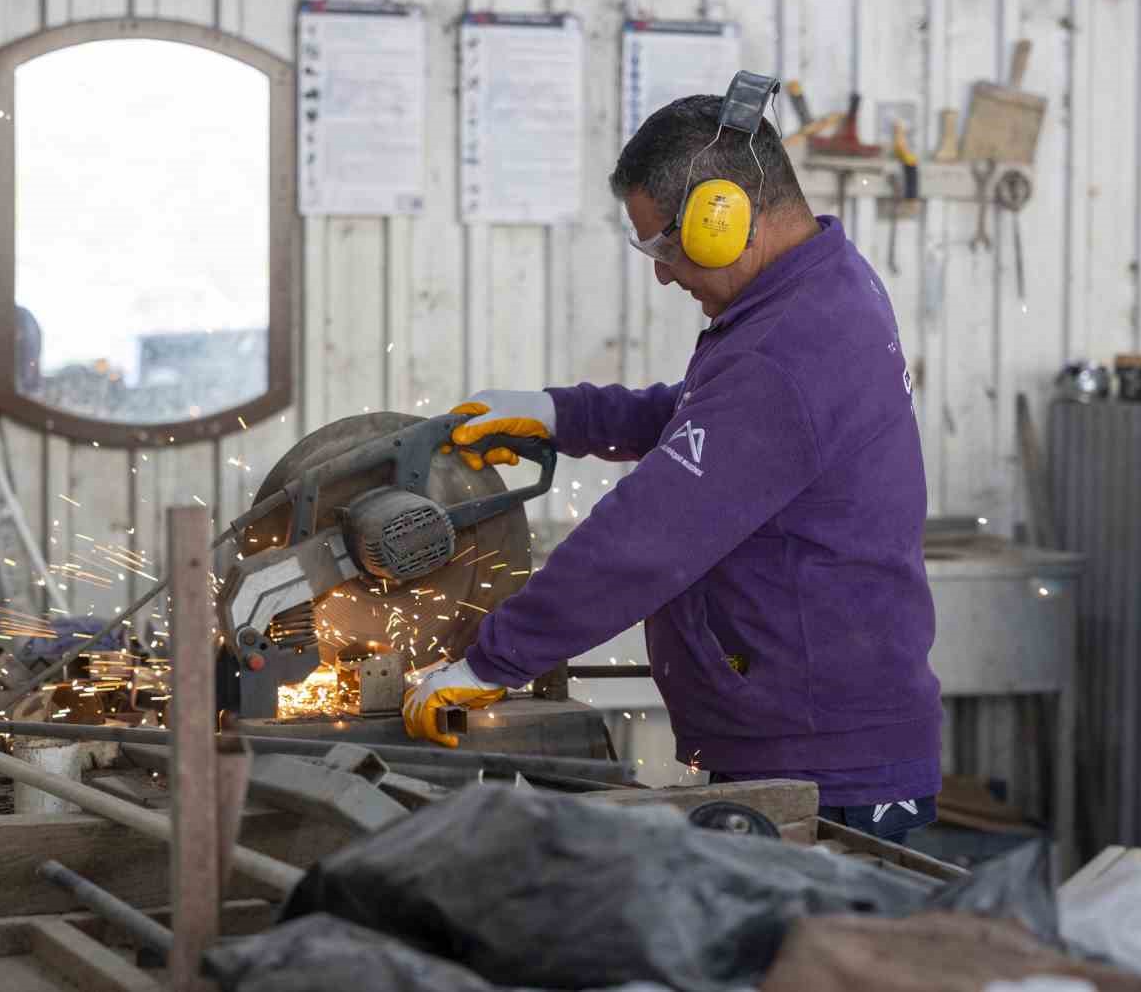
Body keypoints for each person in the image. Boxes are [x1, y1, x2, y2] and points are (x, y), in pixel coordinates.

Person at [403, 78, 942, 843]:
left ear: (722, 220)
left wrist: (490, 665)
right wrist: (564, 414)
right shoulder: (822, 286)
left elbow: (647, 537)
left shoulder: (788, 347)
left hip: (823, 770)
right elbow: (711, 419)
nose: (662, 272)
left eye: (664, 245)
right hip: (813, 738)